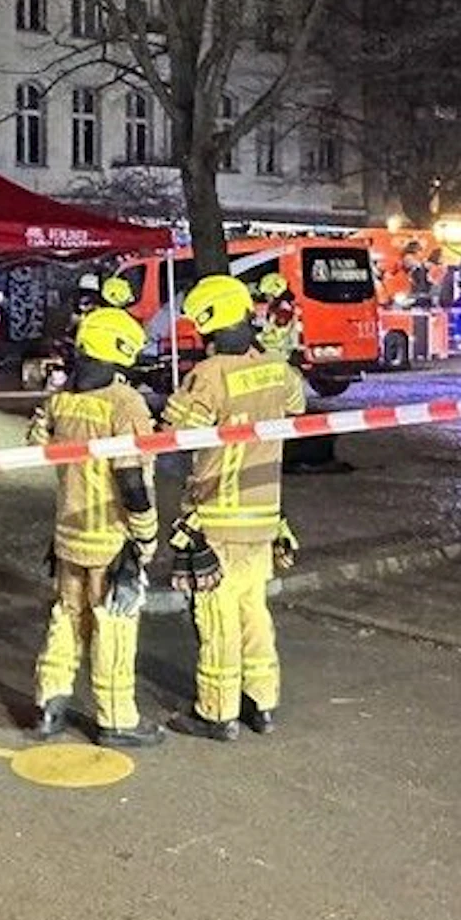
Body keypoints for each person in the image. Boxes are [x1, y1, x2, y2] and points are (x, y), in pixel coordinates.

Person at [162, 274, 307, 742]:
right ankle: (262, 703)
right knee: (254, 613)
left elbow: (177, 431)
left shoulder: (209, 374)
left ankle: (216, 713)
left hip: (216, 515)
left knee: (217, 618)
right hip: (264, 515)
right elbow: (295, 407)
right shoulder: (279, 368)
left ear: (210, 322)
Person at [26, 307, 165, 748]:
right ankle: (117, 719)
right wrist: (145, 531)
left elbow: (36, 445)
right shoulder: (124, 404)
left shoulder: (61, 400)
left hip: (67, 533)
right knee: (114, 626)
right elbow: (130, 478)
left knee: (66, 618)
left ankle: (50, 706)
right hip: (111, 538)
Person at [254, 272, 301, 361]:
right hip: (274, 352)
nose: (265, 297)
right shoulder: (278, 307)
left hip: (277, 353)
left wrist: (258, 337)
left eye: (267, 295)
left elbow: (276, 336)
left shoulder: (283, 311)